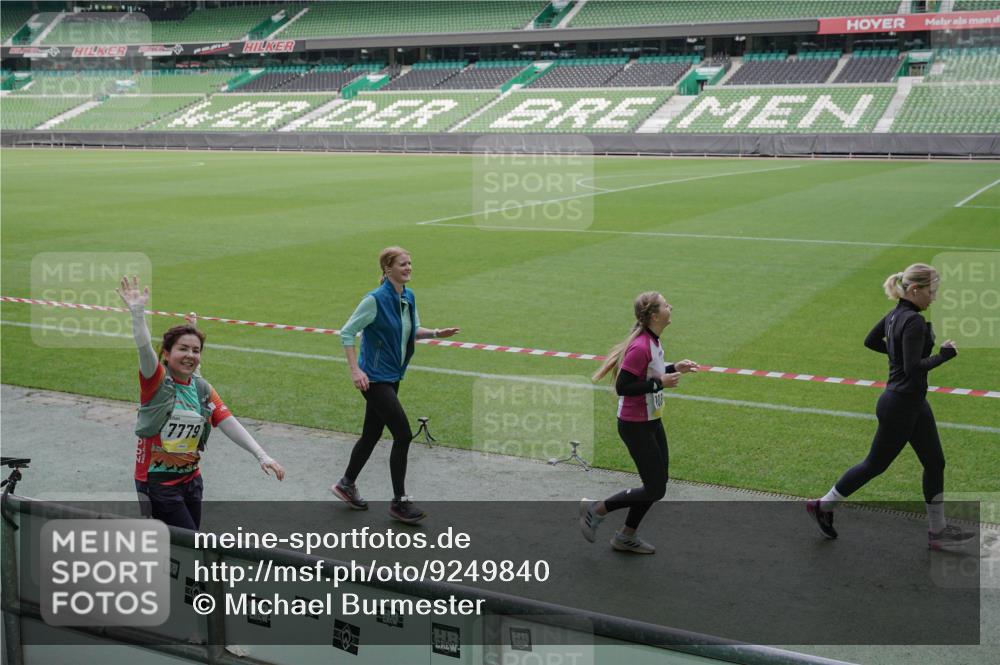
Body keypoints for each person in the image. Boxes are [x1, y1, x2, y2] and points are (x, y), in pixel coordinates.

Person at [806, 263, 973, 550]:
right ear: (915, 289)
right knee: (875, 464)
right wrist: (944, 355)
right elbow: (913, 369)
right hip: (901, 405)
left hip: (911, 402)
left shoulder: (896, 315)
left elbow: (871, 341)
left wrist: (896, 354)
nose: (934, 297)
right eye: (932, 291)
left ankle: (938, 531)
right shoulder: (914, 321)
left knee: (935, 462)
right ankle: (823, 504)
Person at [118, 276, 285, 529]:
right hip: (157, 484)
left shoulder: (202, 388)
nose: (190, 355)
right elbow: (143, 348)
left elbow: (227, 421)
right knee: (187, 544)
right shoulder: (156, 382)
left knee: (185, 547)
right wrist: (137, 313)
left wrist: (262, 456)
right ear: (166, 353)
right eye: (182, 349)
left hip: (191, 481)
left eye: (196, 351)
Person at [332, 247, 459, 524]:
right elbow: (347, 333)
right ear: (387, 268)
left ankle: (346, 484)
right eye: (403, 264)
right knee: (402, 434)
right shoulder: (374, 300)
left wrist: (437, 333)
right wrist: (356, 371)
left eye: (410, 263)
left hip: (392, 376)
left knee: (371, 434)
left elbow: (412, 330)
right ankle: (399, 502)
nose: (409, 268)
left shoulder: (408, 297)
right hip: (374, 379)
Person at [580, 291, 698, 554]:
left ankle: (626, 536)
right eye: (666, 305)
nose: (671, 306)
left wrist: (674, 367)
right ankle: (596, 509)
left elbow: (651, 370)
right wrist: (659, 382)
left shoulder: (653, 341)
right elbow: (623, 386)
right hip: (635, 425)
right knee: (655, 487)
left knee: (657, 484)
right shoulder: (641, 346)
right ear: (655, 315)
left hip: (652, 421)